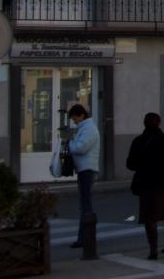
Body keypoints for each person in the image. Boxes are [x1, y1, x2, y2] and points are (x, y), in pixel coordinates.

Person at [126, 112, 164, 259]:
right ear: (159, 123)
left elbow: (130, 164)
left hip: (146, 184)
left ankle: (153, 250)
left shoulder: (138, 141)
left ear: (144, 124)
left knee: (150, 218)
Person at [63, 104, 99, 249]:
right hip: (84, 169)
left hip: (87, 169)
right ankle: (84, 237)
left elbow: (81, 147)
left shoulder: (88, 129)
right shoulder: (85, 128)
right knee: (84, 204)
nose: (74, 121)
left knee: (85, 205)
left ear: (81, 115)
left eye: (75, 118)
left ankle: (85, 238)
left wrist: (70, 144)